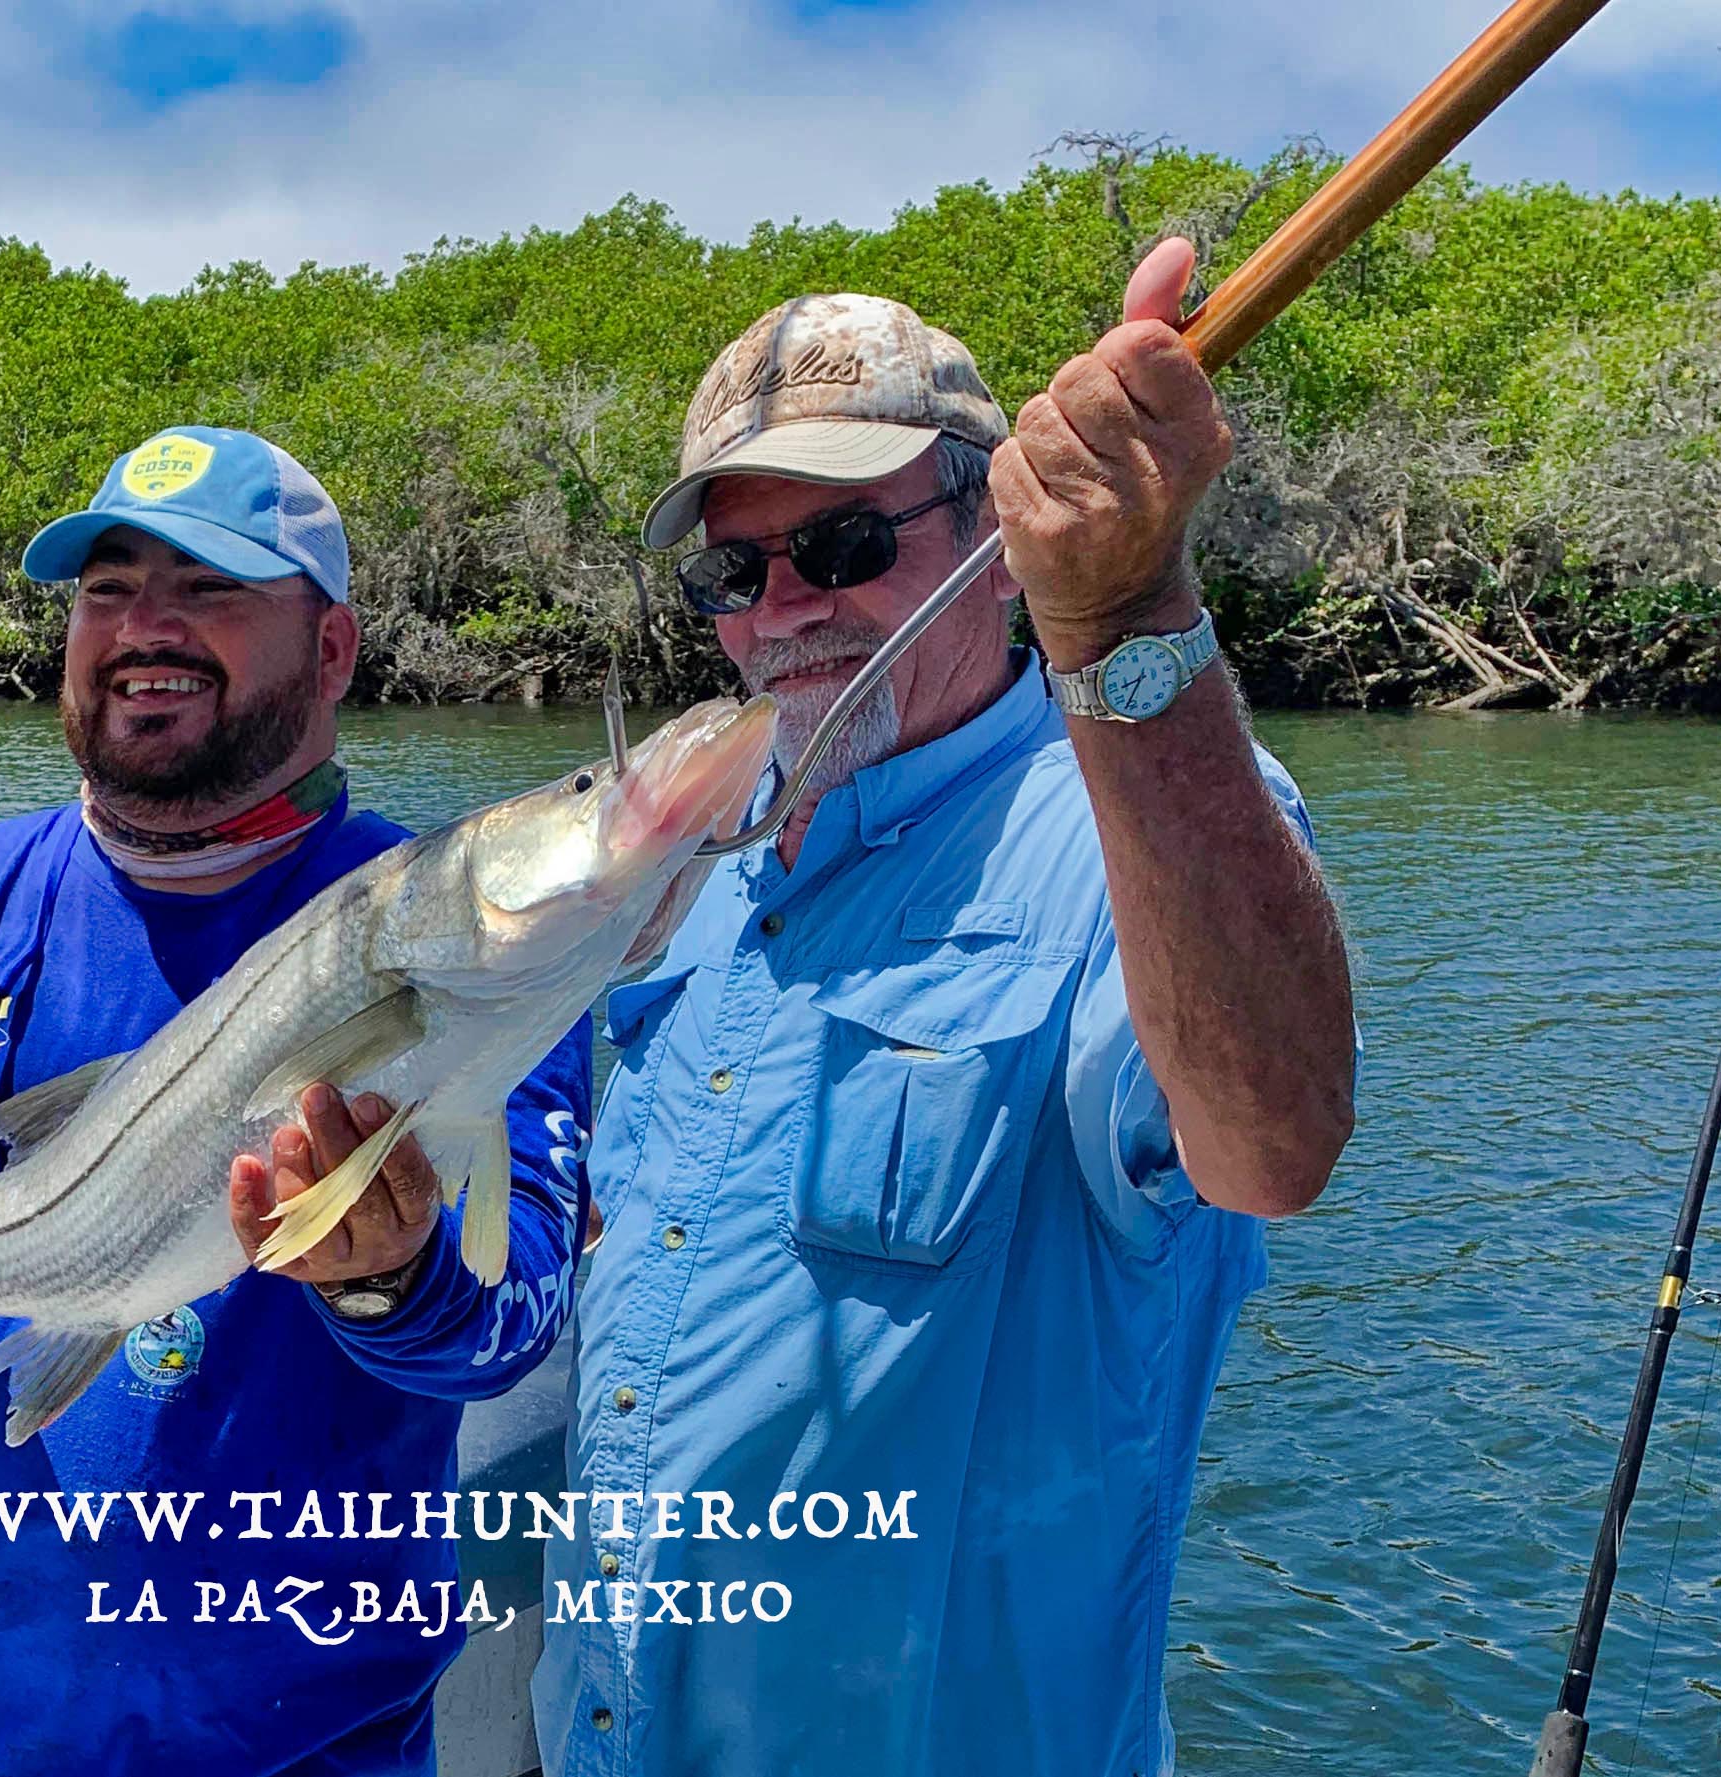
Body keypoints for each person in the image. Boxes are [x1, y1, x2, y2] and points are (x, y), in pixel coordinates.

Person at [531, 240, 1359, 1775]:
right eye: (732, 572)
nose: (784, 606)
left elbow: (1272, 1142)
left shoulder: (1126, 829)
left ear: (991, 530)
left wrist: (1125, 611)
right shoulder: (688, 875)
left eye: (843, 540)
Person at [0, 424, 594, 1777]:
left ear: (333, 650)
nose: (143, 628)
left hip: (295, 1749)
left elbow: (507, 1329)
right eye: (107, 588)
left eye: (209, 587)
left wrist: (389, 1279)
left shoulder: (466, 941)